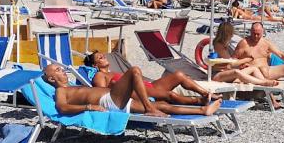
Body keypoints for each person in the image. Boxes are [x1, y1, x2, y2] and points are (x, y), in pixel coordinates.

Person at [80, 51, 221, 115]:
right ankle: (199, 102)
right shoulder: (99, 75)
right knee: (169, 95)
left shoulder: (113, 71)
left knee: (179, 75)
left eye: (103, 55)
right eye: (100, 57)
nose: (104, 56)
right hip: (136, 93)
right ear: (95, 65)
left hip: (148, 86)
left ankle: (205, 94)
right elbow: (103, 93)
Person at [42, 61, 194, 117]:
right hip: (109, 101)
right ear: (51, 79)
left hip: (115, 99)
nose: (62, 70)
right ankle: (149, 108)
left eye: (61, 68)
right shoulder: (60, 91)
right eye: (57, 70)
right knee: (134, 71)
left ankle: (202, 110)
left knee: (162, 105)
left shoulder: (72, 87)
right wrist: (88, 107)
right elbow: (62, 107)